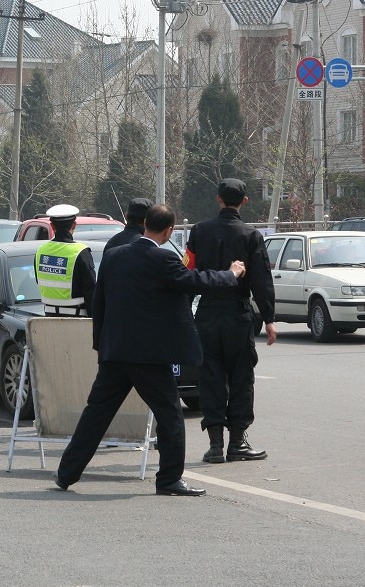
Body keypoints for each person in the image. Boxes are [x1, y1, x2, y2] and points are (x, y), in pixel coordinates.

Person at [54, 204, 246, 496]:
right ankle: (169, 480)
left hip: (115, 351)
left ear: (144, 224)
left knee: (96, 415)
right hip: (149, 356)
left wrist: (101, 346)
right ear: (169, 230)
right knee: (170, 417)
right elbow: (195, 282)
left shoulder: (114, 256)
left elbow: (100, 303)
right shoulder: (163, 259)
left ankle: (66, 473)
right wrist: (230, 274)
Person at [186, 178, 277, 464]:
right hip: (238, 315)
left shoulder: (199, 231)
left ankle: (215, 445)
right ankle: (237, 442)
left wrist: (184, 312)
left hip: (207, 314)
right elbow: (262, 281)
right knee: (241, 378)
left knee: (210, 378)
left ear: (218, 199)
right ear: (245, 201)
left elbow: (189, 273)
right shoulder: (251, 236)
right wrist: (270, 319)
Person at [34, 204, 96, 317]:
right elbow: (90, 291)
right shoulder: (81, 252)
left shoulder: (40, 251)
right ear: (74, 225)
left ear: (52, 226)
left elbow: (39, 280)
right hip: (77, 320)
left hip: (48, 318)